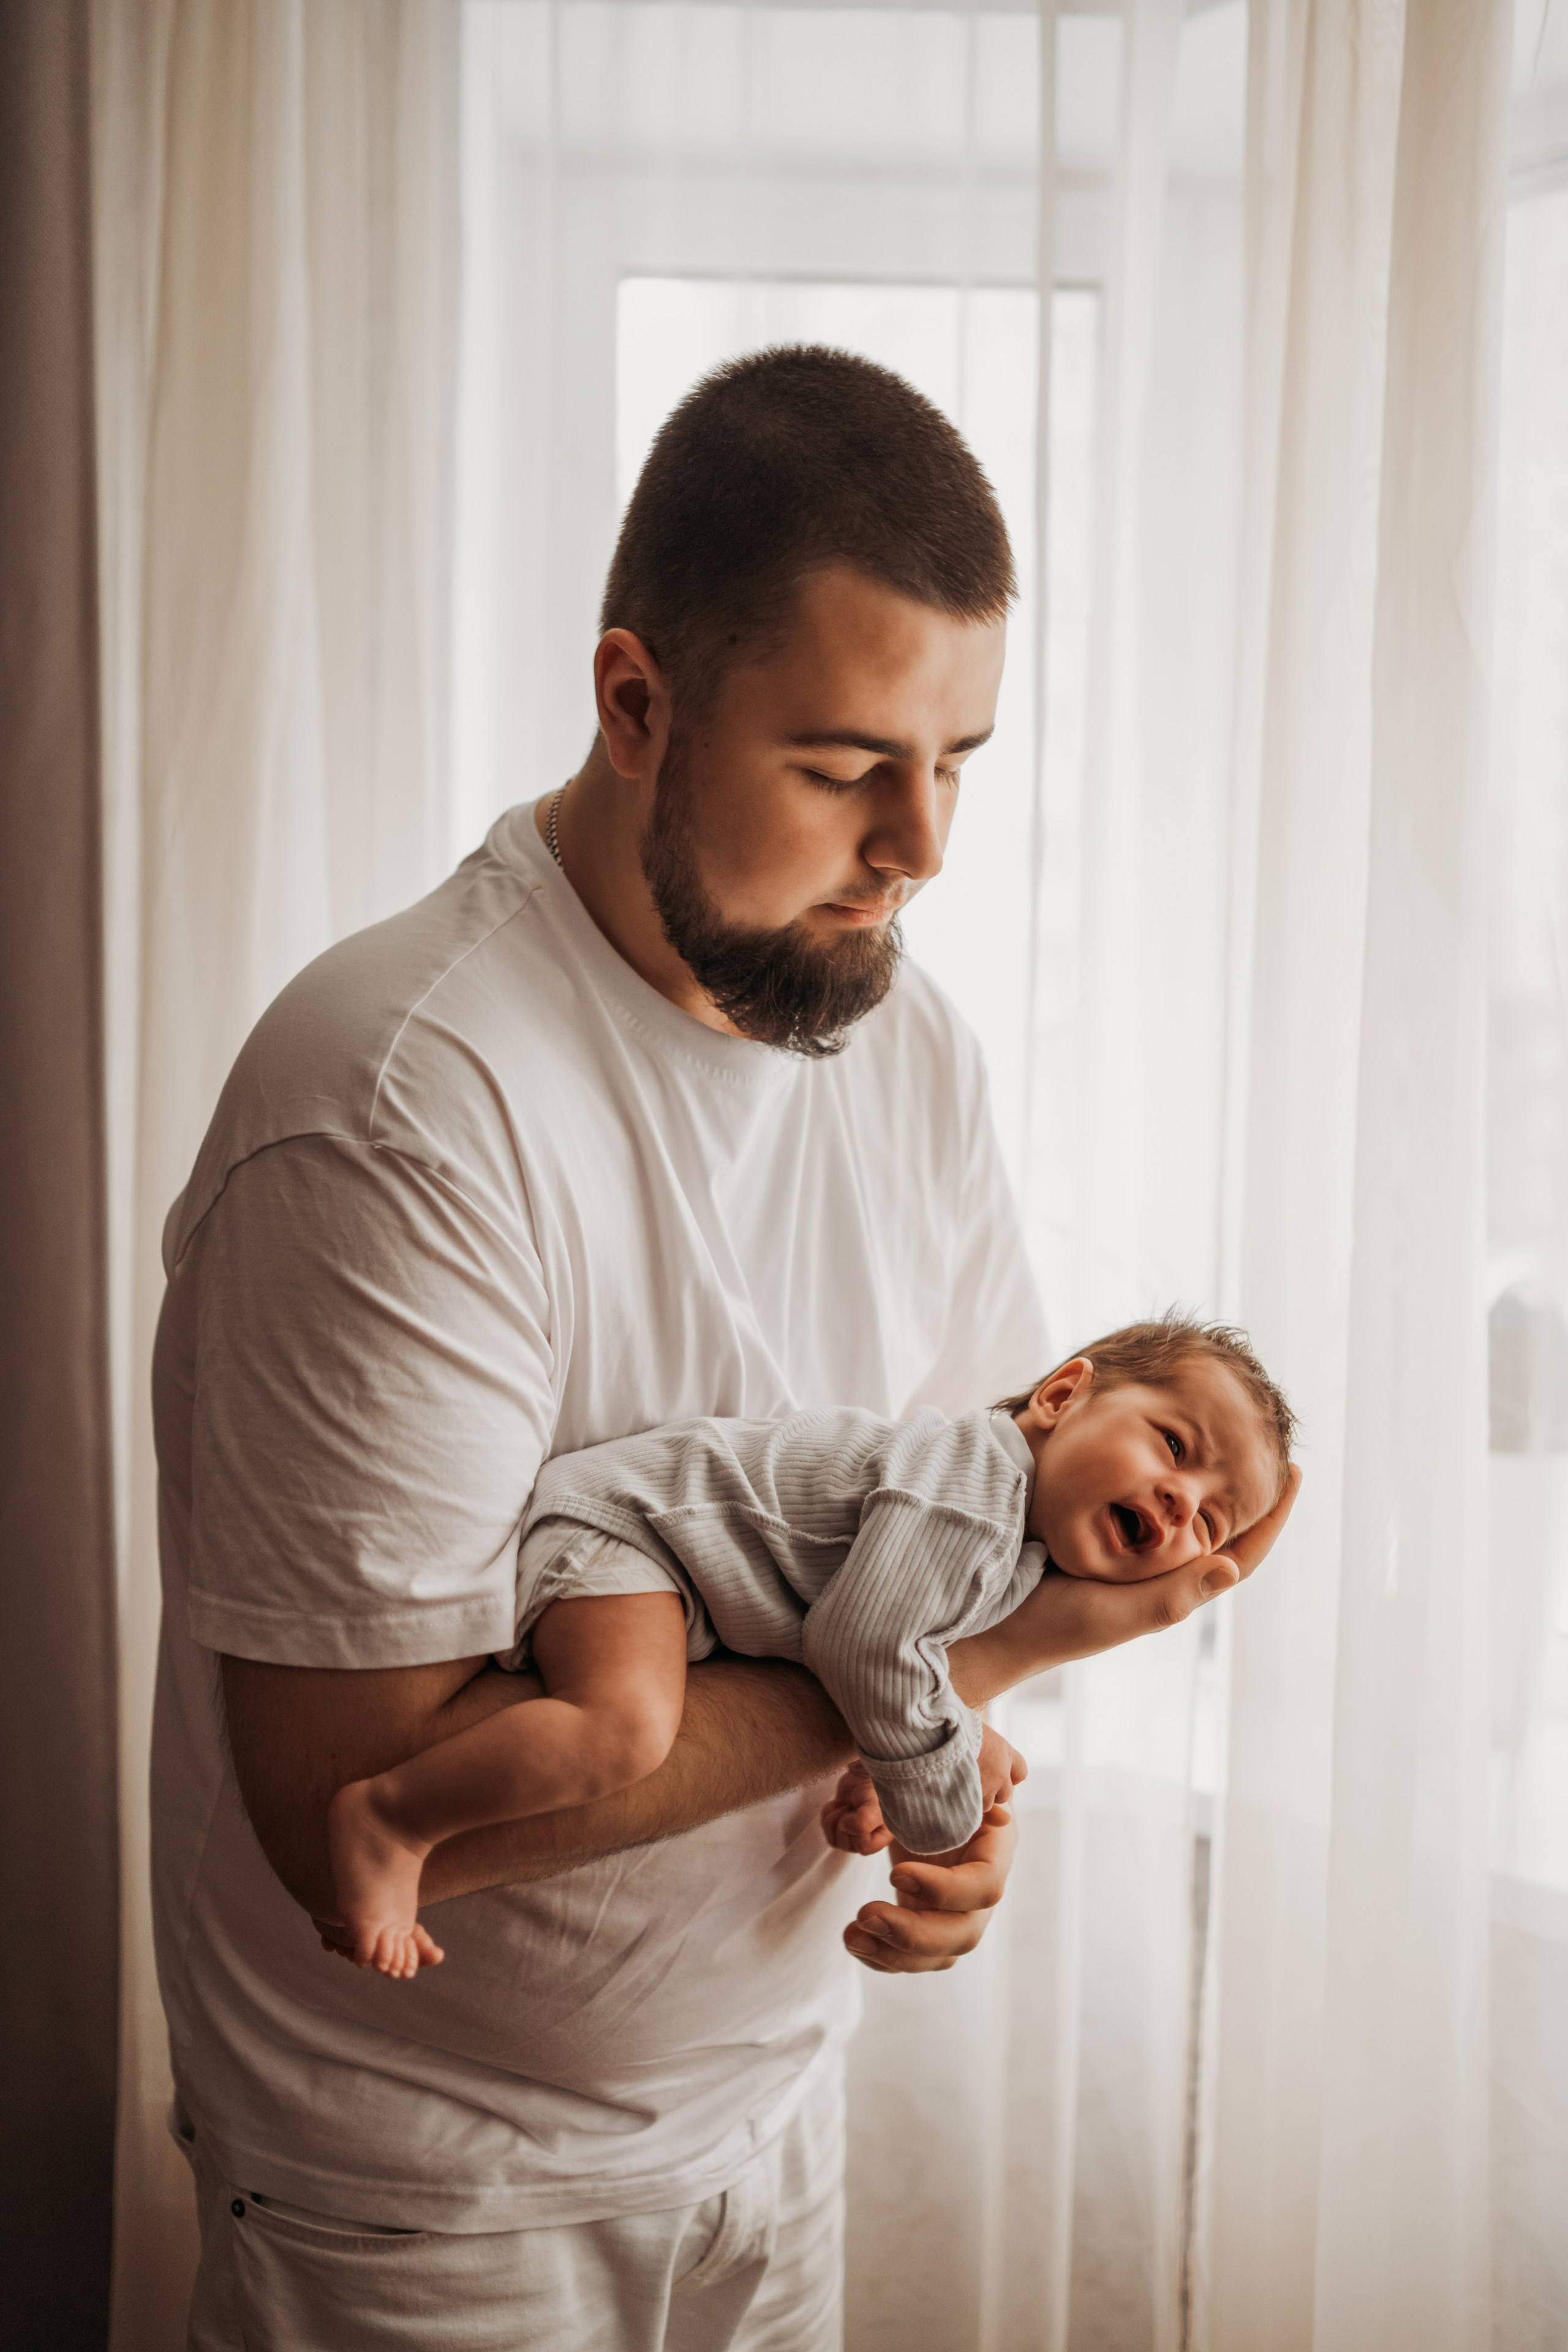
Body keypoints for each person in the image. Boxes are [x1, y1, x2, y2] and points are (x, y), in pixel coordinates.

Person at [152, 345, 1298, 2352]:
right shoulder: (404, 1102)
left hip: (768, 2119)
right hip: (429, 2192)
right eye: (850, 763)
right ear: (634, 702)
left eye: (963, 765)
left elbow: (952, 1503)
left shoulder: (902, 1031)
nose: (921, 845)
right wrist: (978, 1663)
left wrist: (953, 1798)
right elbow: (341, 1787)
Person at [326, 1319, 1297, 1979]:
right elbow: (867, 1642)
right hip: (630, 1533)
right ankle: (392, 1818)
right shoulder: (970, 1489)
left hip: (687, 1583)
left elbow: (909, 1649)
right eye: (1174, 1447)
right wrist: (937, 1810)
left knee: (969, 1744)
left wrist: (924, 1748)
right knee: (622, 1727)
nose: (1183, 1504)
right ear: (1060, 1397)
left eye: (1214, 1521)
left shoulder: (1013, 1548)